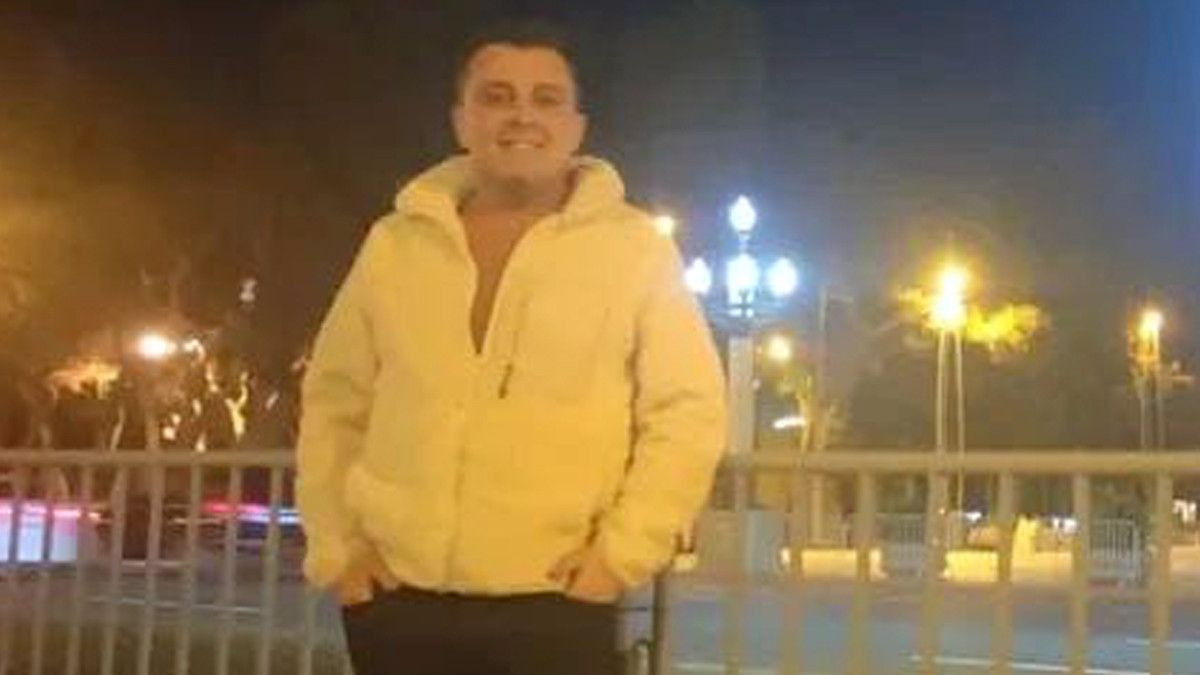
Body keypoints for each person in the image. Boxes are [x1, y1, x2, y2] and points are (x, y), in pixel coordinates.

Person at [297, 20, 726, 675]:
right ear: (462, 121)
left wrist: (620, 555)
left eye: (546, 99)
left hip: (556, 599)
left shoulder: (635, 249)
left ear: (576, 127)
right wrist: (340, 552)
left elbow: (687, 409)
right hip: (396, 598)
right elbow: (335, 398)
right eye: (497, 97)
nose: (522, 115)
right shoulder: (395, 244)